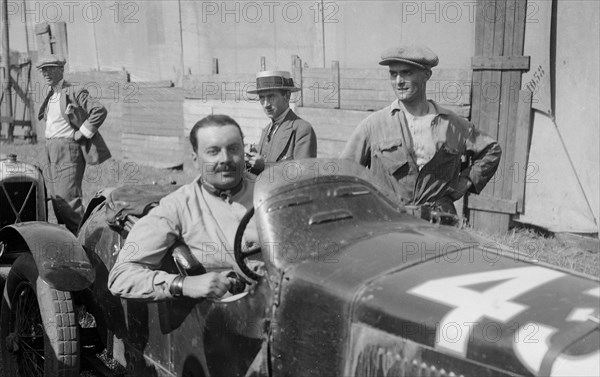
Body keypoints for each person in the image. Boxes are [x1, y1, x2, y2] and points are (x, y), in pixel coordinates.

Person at [108, 114, 258, 301]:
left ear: (244, 152)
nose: (225, 159)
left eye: (233, 149)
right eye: (213, 151)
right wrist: (182, 284)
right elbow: (121, 276)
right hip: (228, 318)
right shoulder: (177, 207)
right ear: (195, 159)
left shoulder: (271, 195)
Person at [340, 44, 501, 215]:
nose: (399, 81)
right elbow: (344, 172)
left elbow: (491, 149)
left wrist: (465, 183)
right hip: (390, 223)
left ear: (426, 75)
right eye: (393, 74)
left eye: (407, 73)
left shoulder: (452, 124)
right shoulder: (373, 125)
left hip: (440, 223)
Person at [37, 54, 110, 234]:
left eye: (51, 68)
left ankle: (85, 245)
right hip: (50, 150)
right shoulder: (51, 94)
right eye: (43, 69)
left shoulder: (75, 91)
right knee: (57, 199)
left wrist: (82, 134)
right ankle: (71, 241)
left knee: (68, 200)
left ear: (61, 69)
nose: (46, 72)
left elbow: (99, 110)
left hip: (68, 149)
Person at [245, 70, 317, 175]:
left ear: (287, 96)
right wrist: (249, 161)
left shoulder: (302, 129)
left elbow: (304, 173)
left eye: (271, 96)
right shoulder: (266, 130)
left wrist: (264, 165)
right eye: (262, 97)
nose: (266, 104)